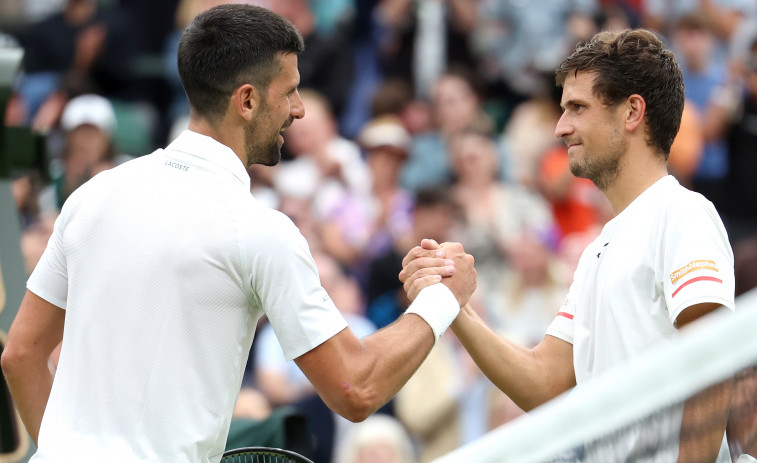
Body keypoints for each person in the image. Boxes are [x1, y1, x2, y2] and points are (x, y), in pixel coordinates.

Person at [0, 5, 477, 462]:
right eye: (289, 92)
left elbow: (20, 355)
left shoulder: (90, 197)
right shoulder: (260, 230)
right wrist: (441, 299)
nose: (299, 110)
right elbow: (357, 388)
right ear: (246, 100)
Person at [400, 29, 736, 462]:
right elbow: (545, 383)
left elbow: (711, 362)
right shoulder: (600, 249)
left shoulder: (682, 212)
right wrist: (454, 308)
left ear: (632, 112)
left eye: (577, 108)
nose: (561, 127)